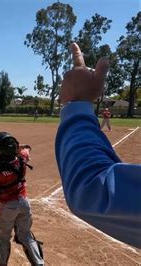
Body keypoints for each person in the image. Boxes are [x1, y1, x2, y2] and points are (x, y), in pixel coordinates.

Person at [56, 42, 141, 248]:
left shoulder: (104, 110)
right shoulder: (104, 111)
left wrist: (78, 104)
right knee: (105, 124)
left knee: (106, 124)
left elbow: (91, 188)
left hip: (83, 115)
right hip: (96, 117)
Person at [0, 132, 44, 265]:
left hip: (8, 207)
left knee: (3, 237)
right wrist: (18, 146)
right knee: (26, 235)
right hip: (24, 203)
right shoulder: (22, 159)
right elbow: (27, 148)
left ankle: (1, 264)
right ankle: (39, 263)